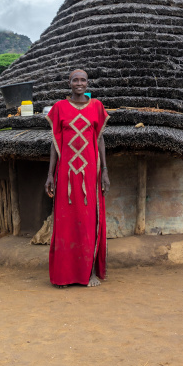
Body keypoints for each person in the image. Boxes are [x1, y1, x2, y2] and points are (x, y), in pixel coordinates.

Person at [45, 69, 110, 287]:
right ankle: (63, 275)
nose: (79, 83)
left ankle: (89, 273)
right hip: (66, 174)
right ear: (69, 83)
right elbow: (55, 144)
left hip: (91, 174)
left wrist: (106, 171)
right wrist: (50, 175)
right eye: (75, 80)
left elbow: (99, 140)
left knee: (89, 222)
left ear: (88, 83)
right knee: (65, 223)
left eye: (83, 80)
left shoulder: (97, 107)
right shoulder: (59, 108)